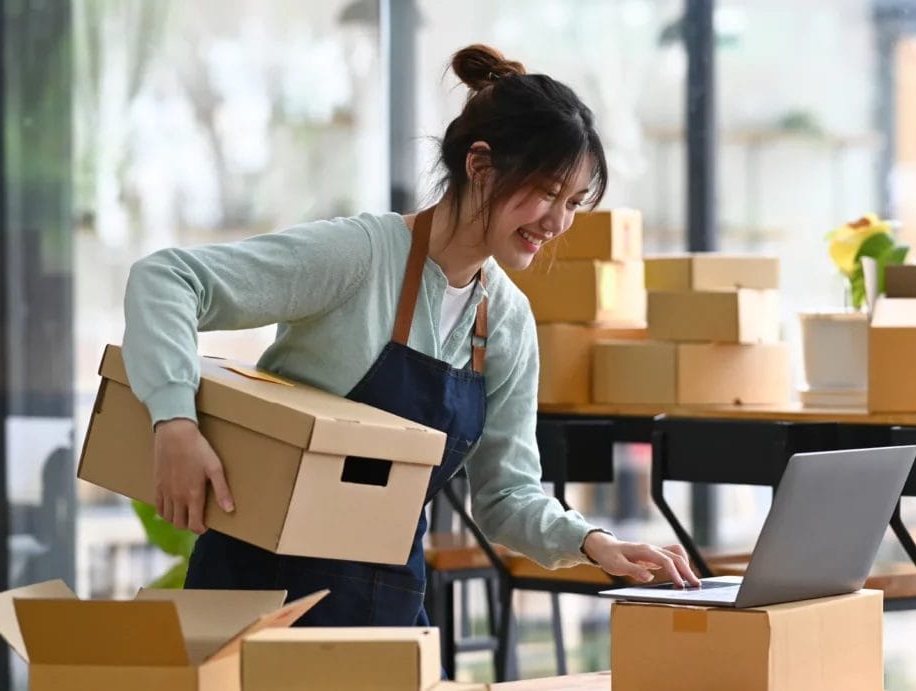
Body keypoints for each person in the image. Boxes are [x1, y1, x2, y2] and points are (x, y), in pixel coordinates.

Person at [123, 44, 699, 628]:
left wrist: (592, 542)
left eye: (573, 203)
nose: (558, 223)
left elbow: (505, 495)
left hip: (383, 602)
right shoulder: (360, 257)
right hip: (251, 592)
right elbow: (167, 279)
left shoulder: (507, 321)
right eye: (549, 192)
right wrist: (174, 422)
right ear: (480, 165)